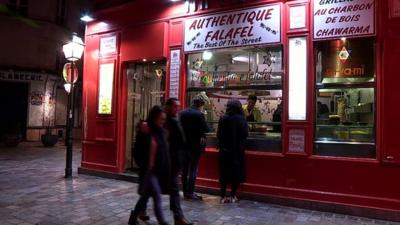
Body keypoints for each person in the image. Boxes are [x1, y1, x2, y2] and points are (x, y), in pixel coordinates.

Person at [129, 106, 170, 225]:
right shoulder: (145, 131)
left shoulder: (161, 132)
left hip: (157, 171)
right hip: (149, 171)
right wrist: (143, 164)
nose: (163, 122)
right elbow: (137, 151)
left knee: (145, 196)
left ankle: (133, 217)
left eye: (164, 120)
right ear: (154, 118)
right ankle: (162, 221)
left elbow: (164, 152)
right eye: (161, 119)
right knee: (157, 196)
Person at [217, 99, 248, 203]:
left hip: (224, 151)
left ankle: (222, 197)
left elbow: (218, 135)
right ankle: (233, 196)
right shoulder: (241, 119)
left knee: (224, 174)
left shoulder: (223, 118)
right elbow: (245, 134)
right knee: (236, 173)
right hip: (237, 151)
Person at [180, 93, 210, 201]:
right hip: (195, 146)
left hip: (184, 146)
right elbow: (207, 129)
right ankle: (191, 192)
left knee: (184, 170)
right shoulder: (199, 114)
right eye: (203, 104)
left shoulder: (182, 113)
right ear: (200, 103)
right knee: (193, 170)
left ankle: (185, 192)